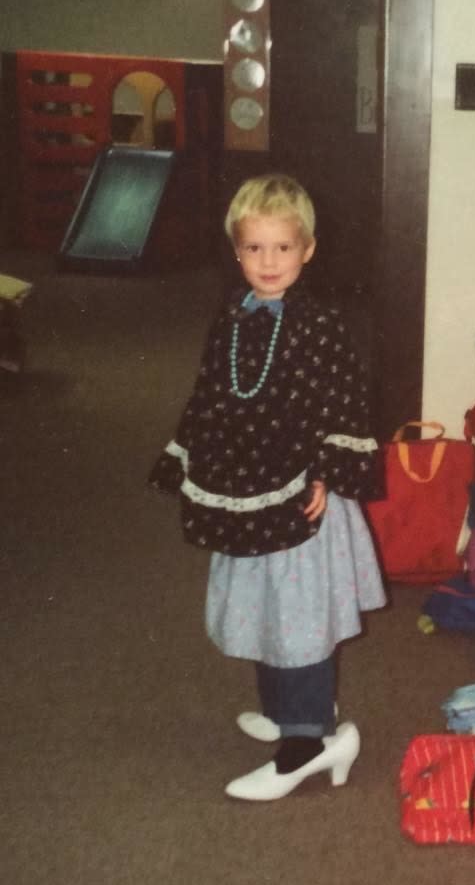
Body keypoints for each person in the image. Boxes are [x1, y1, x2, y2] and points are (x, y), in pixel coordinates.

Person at [149, 173, 385, 801]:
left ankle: (308, 744)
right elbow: (211, 391)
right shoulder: (232, 316)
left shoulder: (321, 325)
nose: (269, 262)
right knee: (264, 608)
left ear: (307, 249)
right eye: (254, 248)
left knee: (299, 615)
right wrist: (188, 457)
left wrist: (329, 474)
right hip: (246, 488)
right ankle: (290, 712)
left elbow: (344, 404)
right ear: (237, 251)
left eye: (283, 247)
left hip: (301, 496)